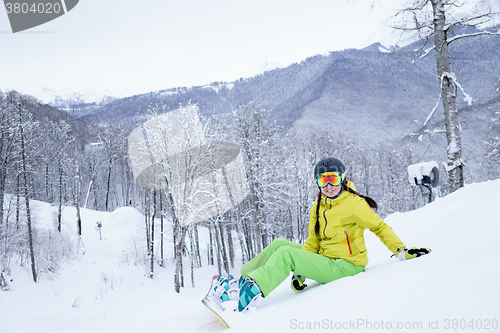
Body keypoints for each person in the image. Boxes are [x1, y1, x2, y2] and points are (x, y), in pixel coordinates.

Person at [216, 157, 431, 313]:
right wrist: (301, 271)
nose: (328, 185)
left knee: (286, 255)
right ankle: (242, 280)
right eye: (323, 180)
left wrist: (401, 250)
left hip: (347, 266)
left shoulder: (354, 204)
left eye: (333, 179)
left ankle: (249, 294)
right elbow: (313, 240)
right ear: (317, 182)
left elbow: (380, 227)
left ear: (342, 179)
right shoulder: (318, 206)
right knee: (279, 244)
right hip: (326, 259)